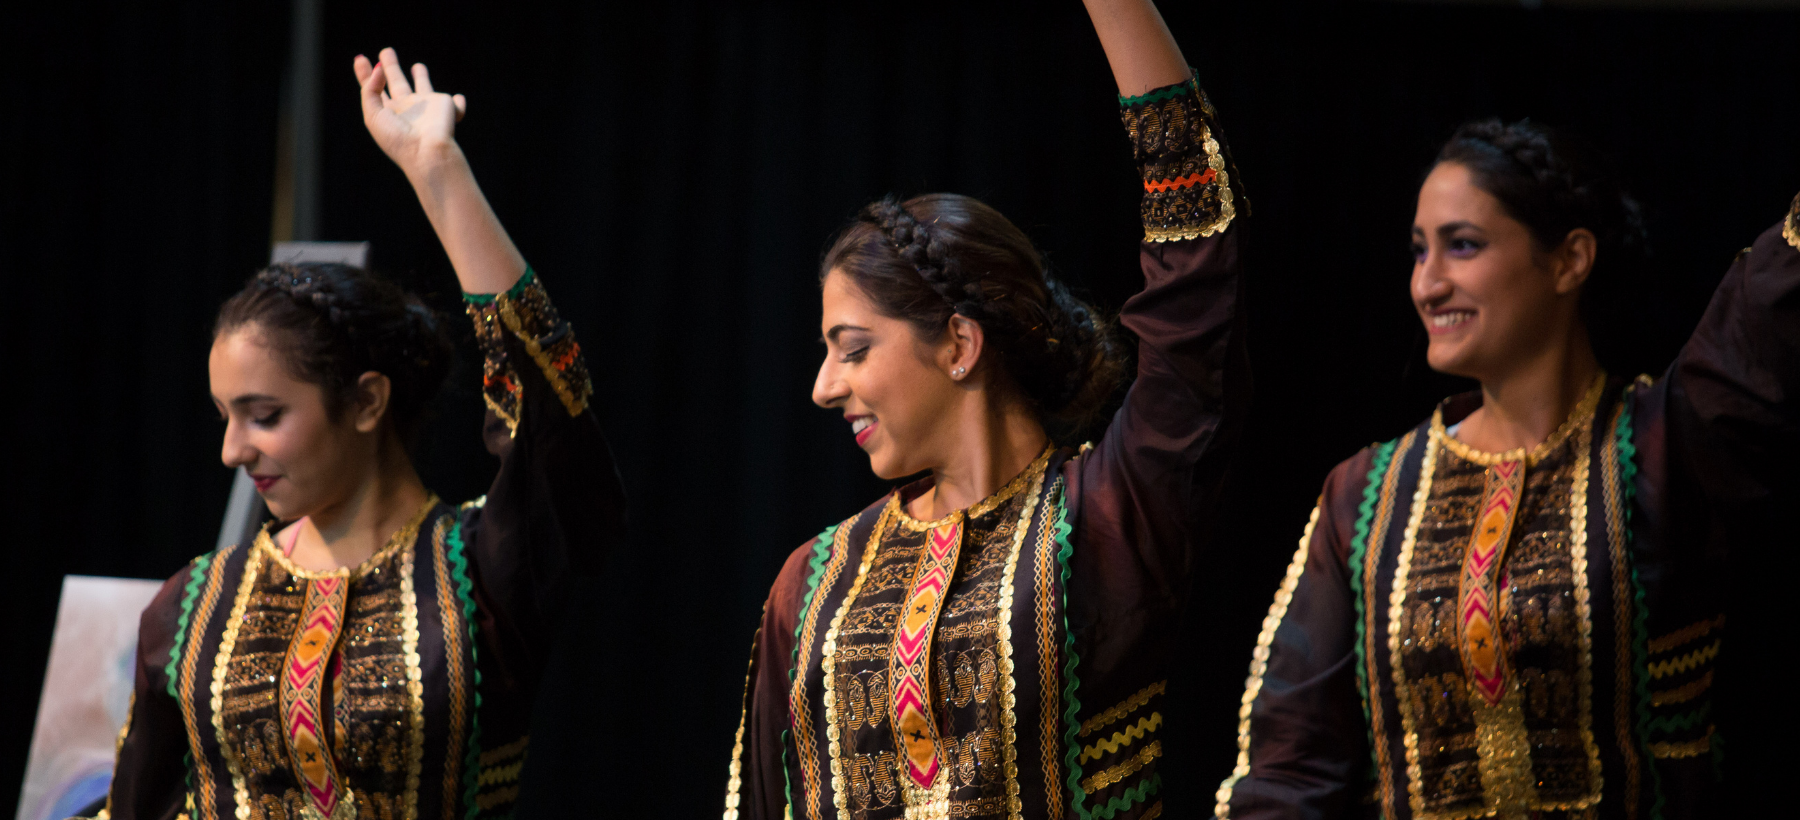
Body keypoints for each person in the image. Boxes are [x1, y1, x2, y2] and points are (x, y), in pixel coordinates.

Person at [722, 1, 1249, 818]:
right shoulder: (812, 582)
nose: (825, 386)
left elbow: (1196, 284)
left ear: (959, 344)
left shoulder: (1108, 522)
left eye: (853, 348)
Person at [93, 48, 623, 820]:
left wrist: (439, 174)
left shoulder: (485, 571)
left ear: (367, 402)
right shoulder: (194, 606)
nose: (232, 450)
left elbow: (550, 412)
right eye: (226, 417)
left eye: (265, 415)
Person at [1211, 120, 1795, 819]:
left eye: (1463, 246)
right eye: (1418, 252)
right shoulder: (1368, 493)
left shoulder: (1668, 445)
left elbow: (1773, 300)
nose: (1428, 284)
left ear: (1569, 260)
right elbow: (1291, 767)